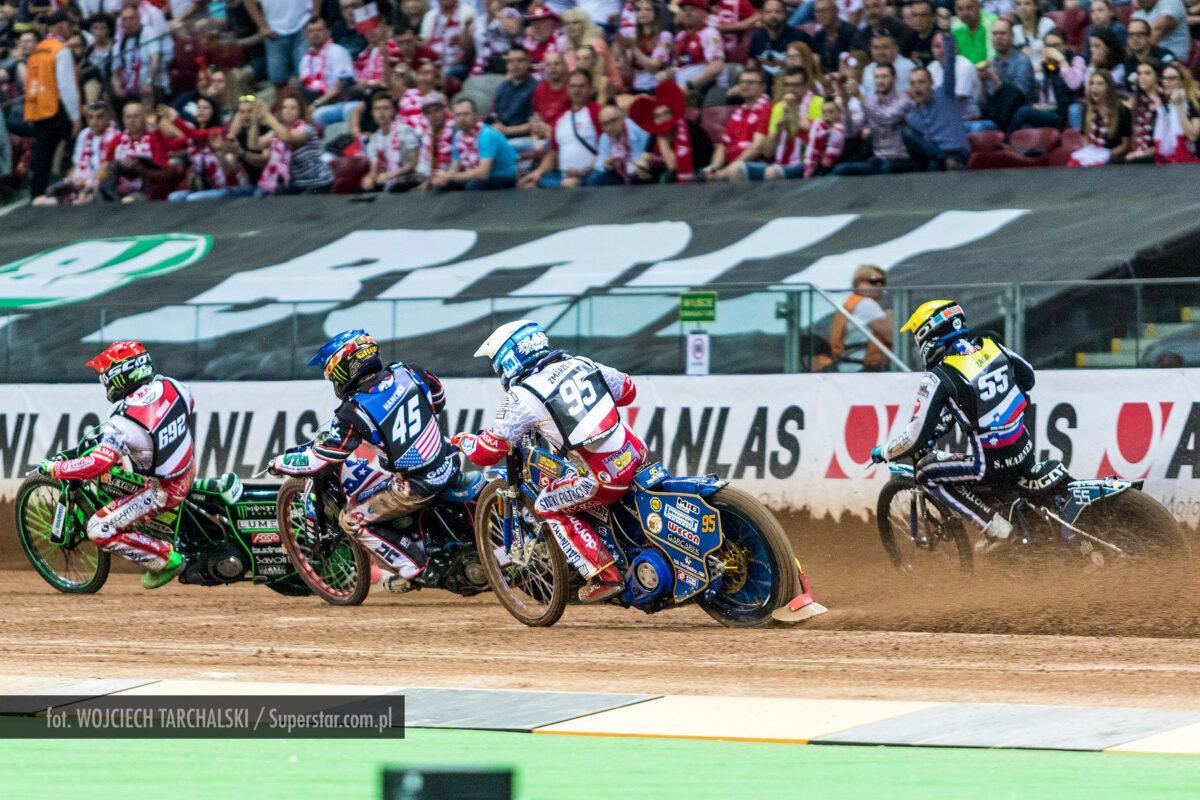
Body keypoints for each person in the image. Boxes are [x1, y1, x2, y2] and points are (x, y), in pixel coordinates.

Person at [453, 320, 646, 604]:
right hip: (635, 452)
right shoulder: (580, 362)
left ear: (510, 357)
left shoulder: (523, 394)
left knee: (547, 504)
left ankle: (604, 574)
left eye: (498, 364)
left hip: (603, 477)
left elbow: (489, 450)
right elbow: (628, 391)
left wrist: (463, 441)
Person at [269, 330, 458, 586]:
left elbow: (321, 460)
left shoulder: (353, 411)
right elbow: (438, 398)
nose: (334, 381)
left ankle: (415, 567)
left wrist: (279, 463)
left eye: (334, 374)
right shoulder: (410, 371)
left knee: (351, 519)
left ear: (348, 368)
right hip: (448, 460)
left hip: (415, 486)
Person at [871, 300, 1036, 547]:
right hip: (1025, 450)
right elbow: (1028, 377)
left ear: (930, 335)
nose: (918, 345)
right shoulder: (991, 345)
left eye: (918, 337)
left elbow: (915, 437)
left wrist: (885, 452)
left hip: (989, 465)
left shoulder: (939, 375)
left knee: (927, 471)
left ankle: (996, 528)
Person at [38, 342, 194, 589]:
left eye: (105, 378)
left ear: (118, 378)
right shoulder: (173, 386)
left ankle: (165, 559)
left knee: (99, 528)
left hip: (162, 490)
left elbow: (96, 465)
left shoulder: (122, 422)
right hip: (187, 466)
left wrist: (56, 469)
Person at [23, 10, 80, 199]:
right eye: (69, 25)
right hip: (57, 109)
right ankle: (75, 187)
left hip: (38, 109)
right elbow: (66, 86)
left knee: (42, 157)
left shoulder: (37, 50)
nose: (71, 29)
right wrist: (75, 117)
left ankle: (36, 197)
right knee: (79, 141)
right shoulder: (60, 50)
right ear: (61, 26)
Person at [521, 67, 602, 188]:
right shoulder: (560, 119)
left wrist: (585, 171)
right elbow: (553, 154)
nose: (577, 90)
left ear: (590, 89)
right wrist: (537, 173)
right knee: (530, 184)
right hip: (563, 177)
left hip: (591, 175)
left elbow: (607, 149)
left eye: (581, 86)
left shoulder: (598, 112)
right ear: (567, 89)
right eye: (573, 86)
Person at [904, 28, 970, 170]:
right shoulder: (912, 115)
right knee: (907, 135)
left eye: (921, 82)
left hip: (955, 152)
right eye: (913, 84)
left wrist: (946, 35)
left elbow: (950, 63)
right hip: (936, 155)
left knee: (933, 166)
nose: (917, 87)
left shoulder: (945, 92)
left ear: (931, 84)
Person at [831, 61, 914, 174]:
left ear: (894, 79)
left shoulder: (904, 99)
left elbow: (886, 119)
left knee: (886, 167)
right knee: (841, 169)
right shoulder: (871, 102)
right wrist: (845, 105)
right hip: (877, 159)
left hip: (899, 158)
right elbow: (850, 132)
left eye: (884, 77)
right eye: (877, 77)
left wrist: (860, 96)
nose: (880, 81)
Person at [814, 265, 893, 370]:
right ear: (858, 283)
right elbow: (894, 336)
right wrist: (890, 317)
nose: (879, 285)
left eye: (882, 282)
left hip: (847, 365)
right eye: (873, 281)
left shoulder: (851, 302)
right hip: (862, 366)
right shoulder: (866, 304)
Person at [433, 96, 519, 189]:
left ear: (476, 115)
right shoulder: (458, 136)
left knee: (472, 186)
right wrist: (443, 179)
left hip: (502, 175)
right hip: (477, 175)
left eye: (466, 114)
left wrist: (450, 176)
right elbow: (455, 167)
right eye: (458, 115)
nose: (462, 118)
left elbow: (483, 173)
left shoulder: (486, 134)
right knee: (441, 187)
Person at [362, 90, 423, 191]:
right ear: (372, 113)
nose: (381, 112)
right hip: (389, 179)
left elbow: (413, 163)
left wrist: (390, 174)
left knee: (394, 186)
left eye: (385, 108)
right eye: (377, 109)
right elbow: (374, 167)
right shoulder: (374, 138)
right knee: (365, 186)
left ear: (393, 111)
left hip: (411, 178)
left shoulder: (405, 130)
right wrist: (369, 178)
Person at [1070, 69, 1131, 164]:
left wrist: (1106, 155)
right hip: (1091, 154)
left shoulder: (1122, 111)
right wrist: (1090, 154)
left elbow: (1125, 145)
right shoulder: (1086, 109)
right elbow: (1084, 137)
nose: (1094, 87)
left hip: (1112, 158)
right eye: (1092, 83)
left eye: (1100, 84)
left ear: (1109, 88)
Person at [590, 103, 650, 184]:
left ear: (622, 118)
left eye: (613, 121)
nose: (609, 127)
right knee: (596, 178)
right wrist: (607, 164)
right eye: (605, 124)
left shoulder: (638, 130)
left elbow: (648, 156)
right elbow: (599, 166)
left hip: (640, 174)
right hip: (620, 175)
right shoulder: (604, 138)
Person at [1152, 61, 1200, 162]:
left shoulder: (1194, 101)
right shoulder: (1164, 105)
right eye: (1164, 78)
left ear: (1182, 81)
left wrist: (1179, 106)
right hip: (1170, 160)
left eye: (1172, 78)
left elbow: (1192, 136)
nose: (1166, 82)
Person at [748, 0, 809, 78]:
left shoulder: (800, 37)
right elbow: (752, 67)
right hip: (766, 88)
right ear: (762, 15)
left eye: (777, 12)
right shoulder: (757, 37)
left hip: (792, 85)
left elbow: (810, 68)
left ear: (786, 14)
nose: (772, 16)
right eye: (768, 12)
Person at [812, 0, 857, 73]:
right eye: (817, 11)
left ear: (836, 11)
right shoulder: (817, 37)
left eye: (824, 10)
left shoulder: (851, 33)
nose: (820, 15)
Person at [951, 0, 996, 66]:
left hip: (989, 70)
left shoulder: (993, 23)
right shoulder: (954, 26)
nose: (965, 13)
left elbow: (992, 57)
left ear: (978, 6)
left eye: (969, 8)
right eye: (960, 9)